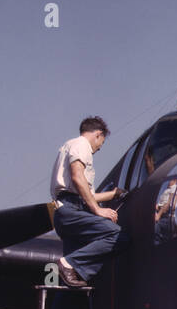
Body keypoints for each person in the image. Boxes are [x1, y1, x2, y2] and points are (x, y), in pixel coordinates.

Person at [49, 116, 128, 288]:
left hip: (67, 210)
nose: (98, 149)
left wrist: (113, 194)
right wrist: (98, 211)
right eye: (101, 143)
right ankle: (68, 264)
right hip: (71, 210)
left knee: (71, 283)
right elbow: (78, 177)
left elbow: (85, 193)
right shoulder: (81, 144)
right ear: (98, 135)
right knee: (117, 236)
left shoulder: (69, 146)